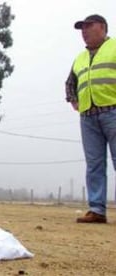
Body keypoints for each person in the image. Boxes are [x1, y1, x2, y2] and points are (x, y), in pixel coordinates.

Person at [66, 14, 116, 223]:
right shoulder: (80, 58)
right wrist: (73, 100)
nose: (84, 31)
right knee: (94, 164)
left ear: (102, 28)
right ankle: (97, 209)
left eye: (88, 26)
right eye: (81, 28)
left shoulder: (114, 48)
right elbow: (70, 82)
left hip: (112, 111)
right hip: (88, 117)